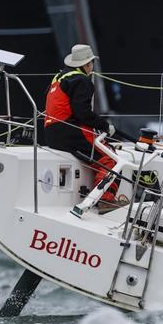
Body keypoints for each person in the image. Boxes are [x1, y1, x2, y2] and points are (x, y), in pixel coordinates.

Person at [44, 44, 122, 212]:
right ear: (87, 65)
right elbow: (83, 114)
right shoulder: (82, 80)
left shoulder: (59, 77)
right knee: (113, 160)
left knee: (104, 152)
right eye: (92, 63)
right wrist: (105, 126)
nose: (92, 67)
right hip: (69, 130)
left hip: (51, 133)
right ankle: (105, 200)